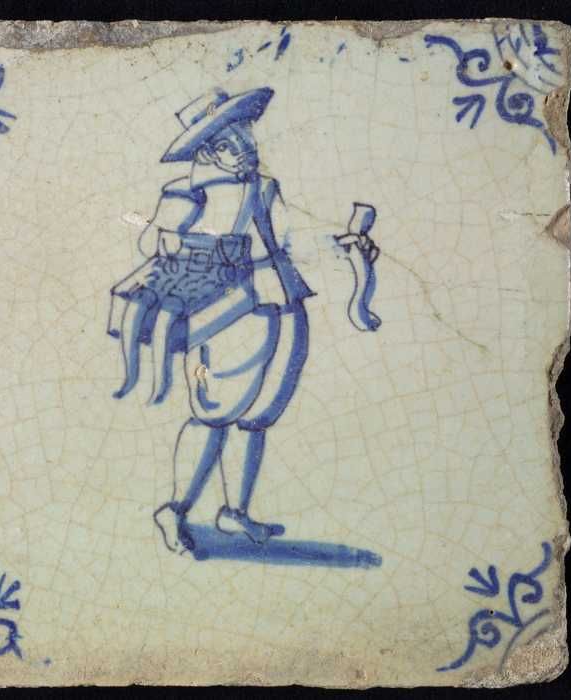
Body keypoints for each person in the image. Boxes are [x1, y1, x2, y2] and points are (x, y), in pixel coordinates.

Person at [108, 87, 378, 553]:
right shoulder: (185, 191)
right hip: (224, 313)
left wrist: (343, 246)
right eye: (232, 140)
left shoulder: (263, 188)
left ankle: (235, 512)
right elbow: (152, 243)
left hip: (280, 301)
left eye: (246, 135)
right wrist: (183, 237)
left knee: (257, 416)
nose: (246, 146)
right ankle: (175, 509)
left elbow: (289, 242)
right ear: (209, 149)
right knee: (213, 413)